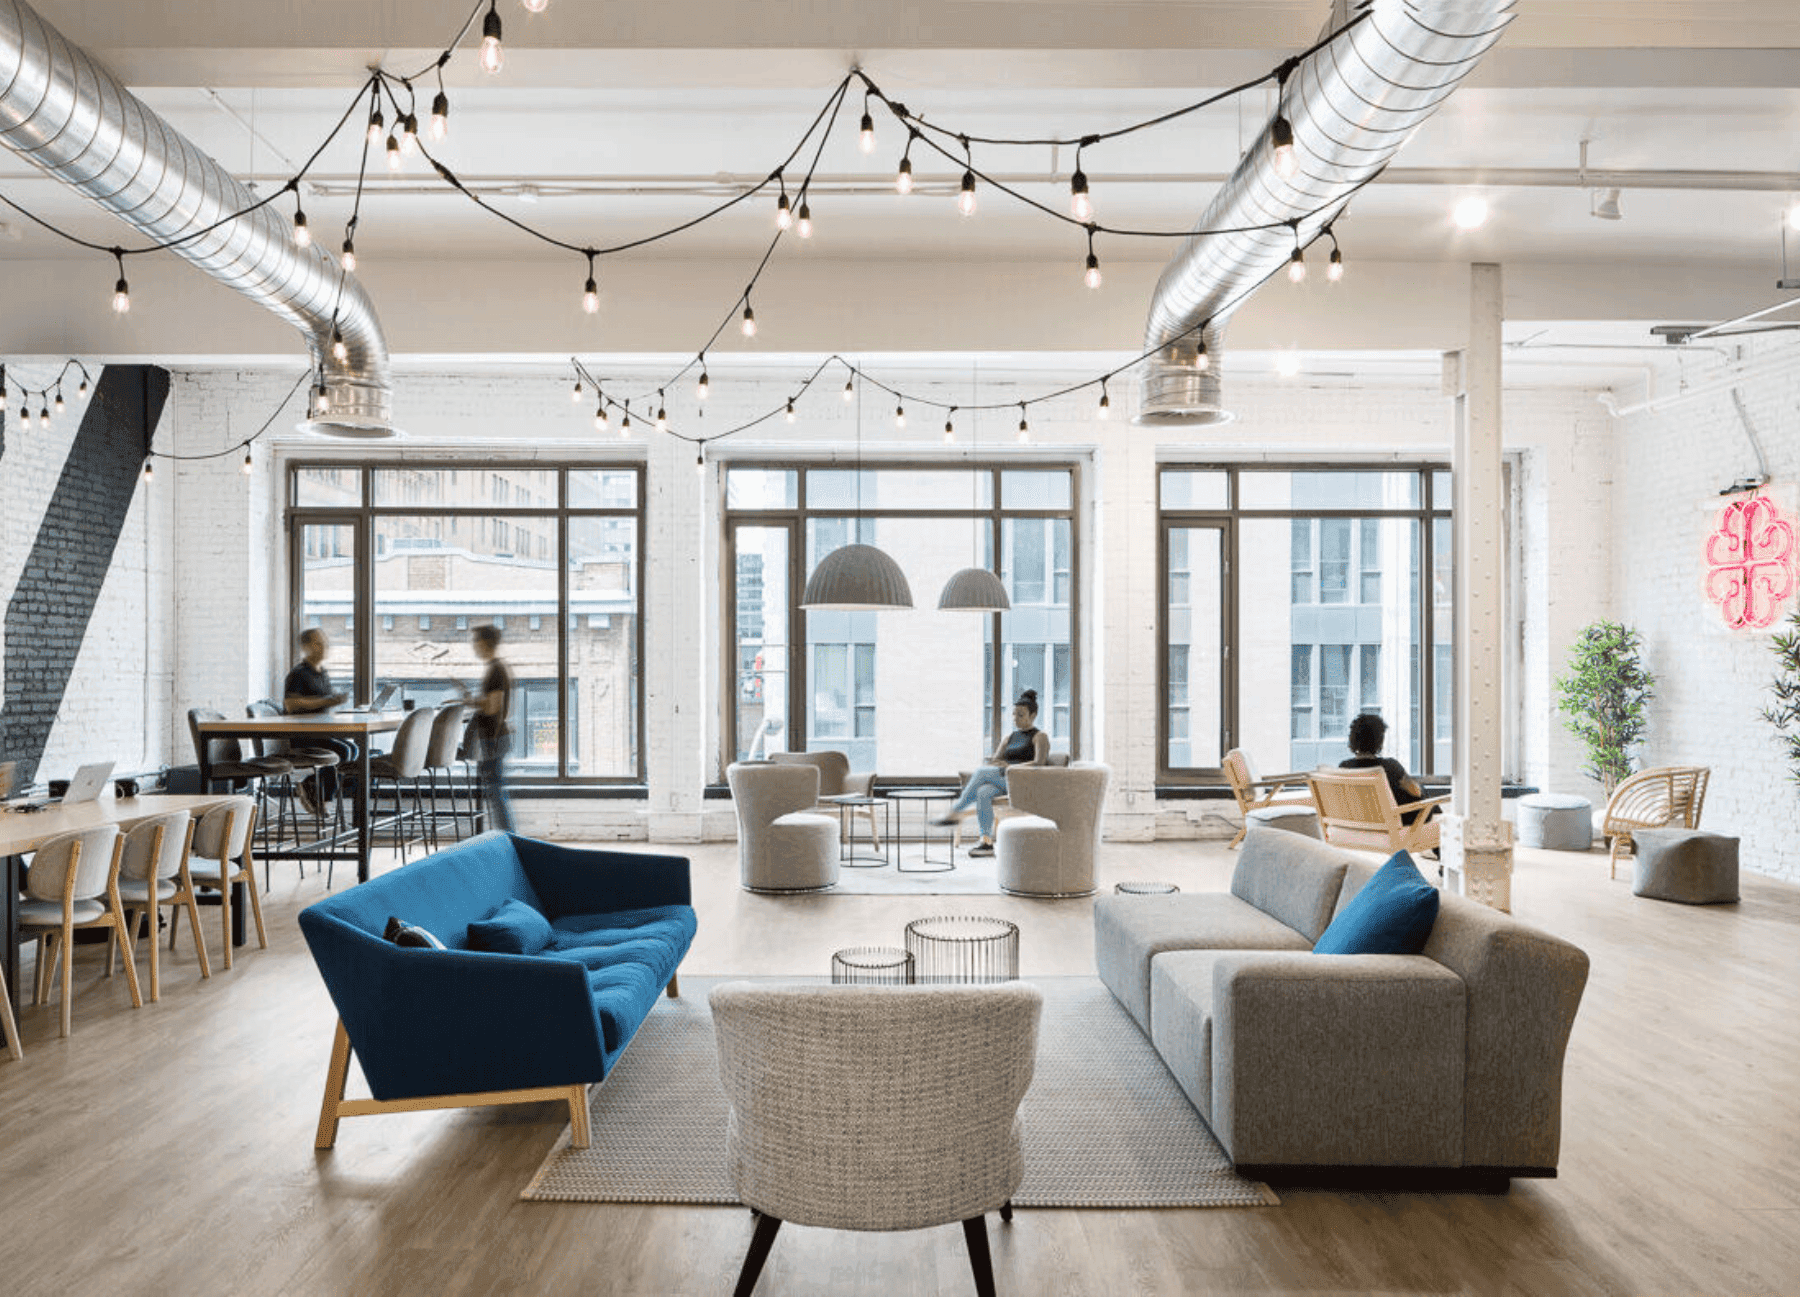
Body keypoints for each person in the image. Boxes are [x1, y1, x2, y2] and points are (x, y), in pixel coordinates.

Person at [934, 689, 1051, 857]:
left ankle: (956, 811)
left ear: (1033, 715)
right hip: (1004, 780)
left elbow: (1039, 763)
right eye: (1014, 715)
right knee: (983, 792)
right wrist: (1003, 765)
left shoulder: (1040, 736)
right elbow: (995, 760)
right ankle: (986, 842)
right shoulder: (1009, 738)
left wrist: (1011, 767)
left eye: (1021, 715)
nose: (1015, 719)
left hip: (1023, 782)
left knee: (981, 772)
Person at [282, 627, 355, 814]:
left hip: (322, 732)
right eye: (318, 643)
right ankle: (313, 788)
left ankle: (320, 789)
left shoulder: (322, 674)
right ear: (305, 647)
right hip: (304, 737)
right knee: (343, 751)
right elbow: (291, 704)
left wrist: (335, 701)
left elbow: (323, 704)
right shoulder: (298, 674)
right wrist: (329, 700)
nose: (324, 646)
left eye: (325, 642)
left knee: (353, 749)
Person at [461, 624, 516, 834]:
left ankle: (509, 837)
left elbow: (493, 707)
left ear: (484, 643)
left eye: (475, 641)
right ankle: (508, 836)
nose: (473, 645)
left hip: (493, 738)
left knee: (496, 793)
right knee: (496, 791)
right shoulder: (497, 668)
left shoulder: (495, 670)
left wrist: (472, 701)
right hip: (496, 737)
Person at [1340, 712, 1436, 828]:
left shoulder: (1344, 768)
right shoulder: (1390, 766)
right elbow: (1415, 791)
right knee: (1422, 793)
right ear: (1380, 740)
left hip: (1359, 825)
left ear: (1353, 739)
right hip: (1395, 822)